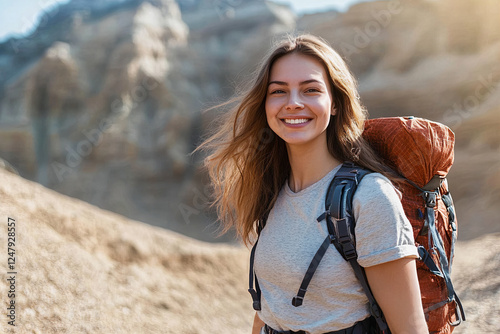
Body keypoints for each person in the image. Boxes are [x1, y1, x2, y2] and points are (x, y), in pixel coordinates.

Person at [199, 34, 428, 334]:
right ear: (265, 104)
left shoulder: (368, 198)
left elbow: (410, 326)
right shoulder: (272, 192)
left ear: (334, 103)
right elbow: (271, 310)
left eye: (310, 90)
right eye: (278, 91)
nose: (293, 103)